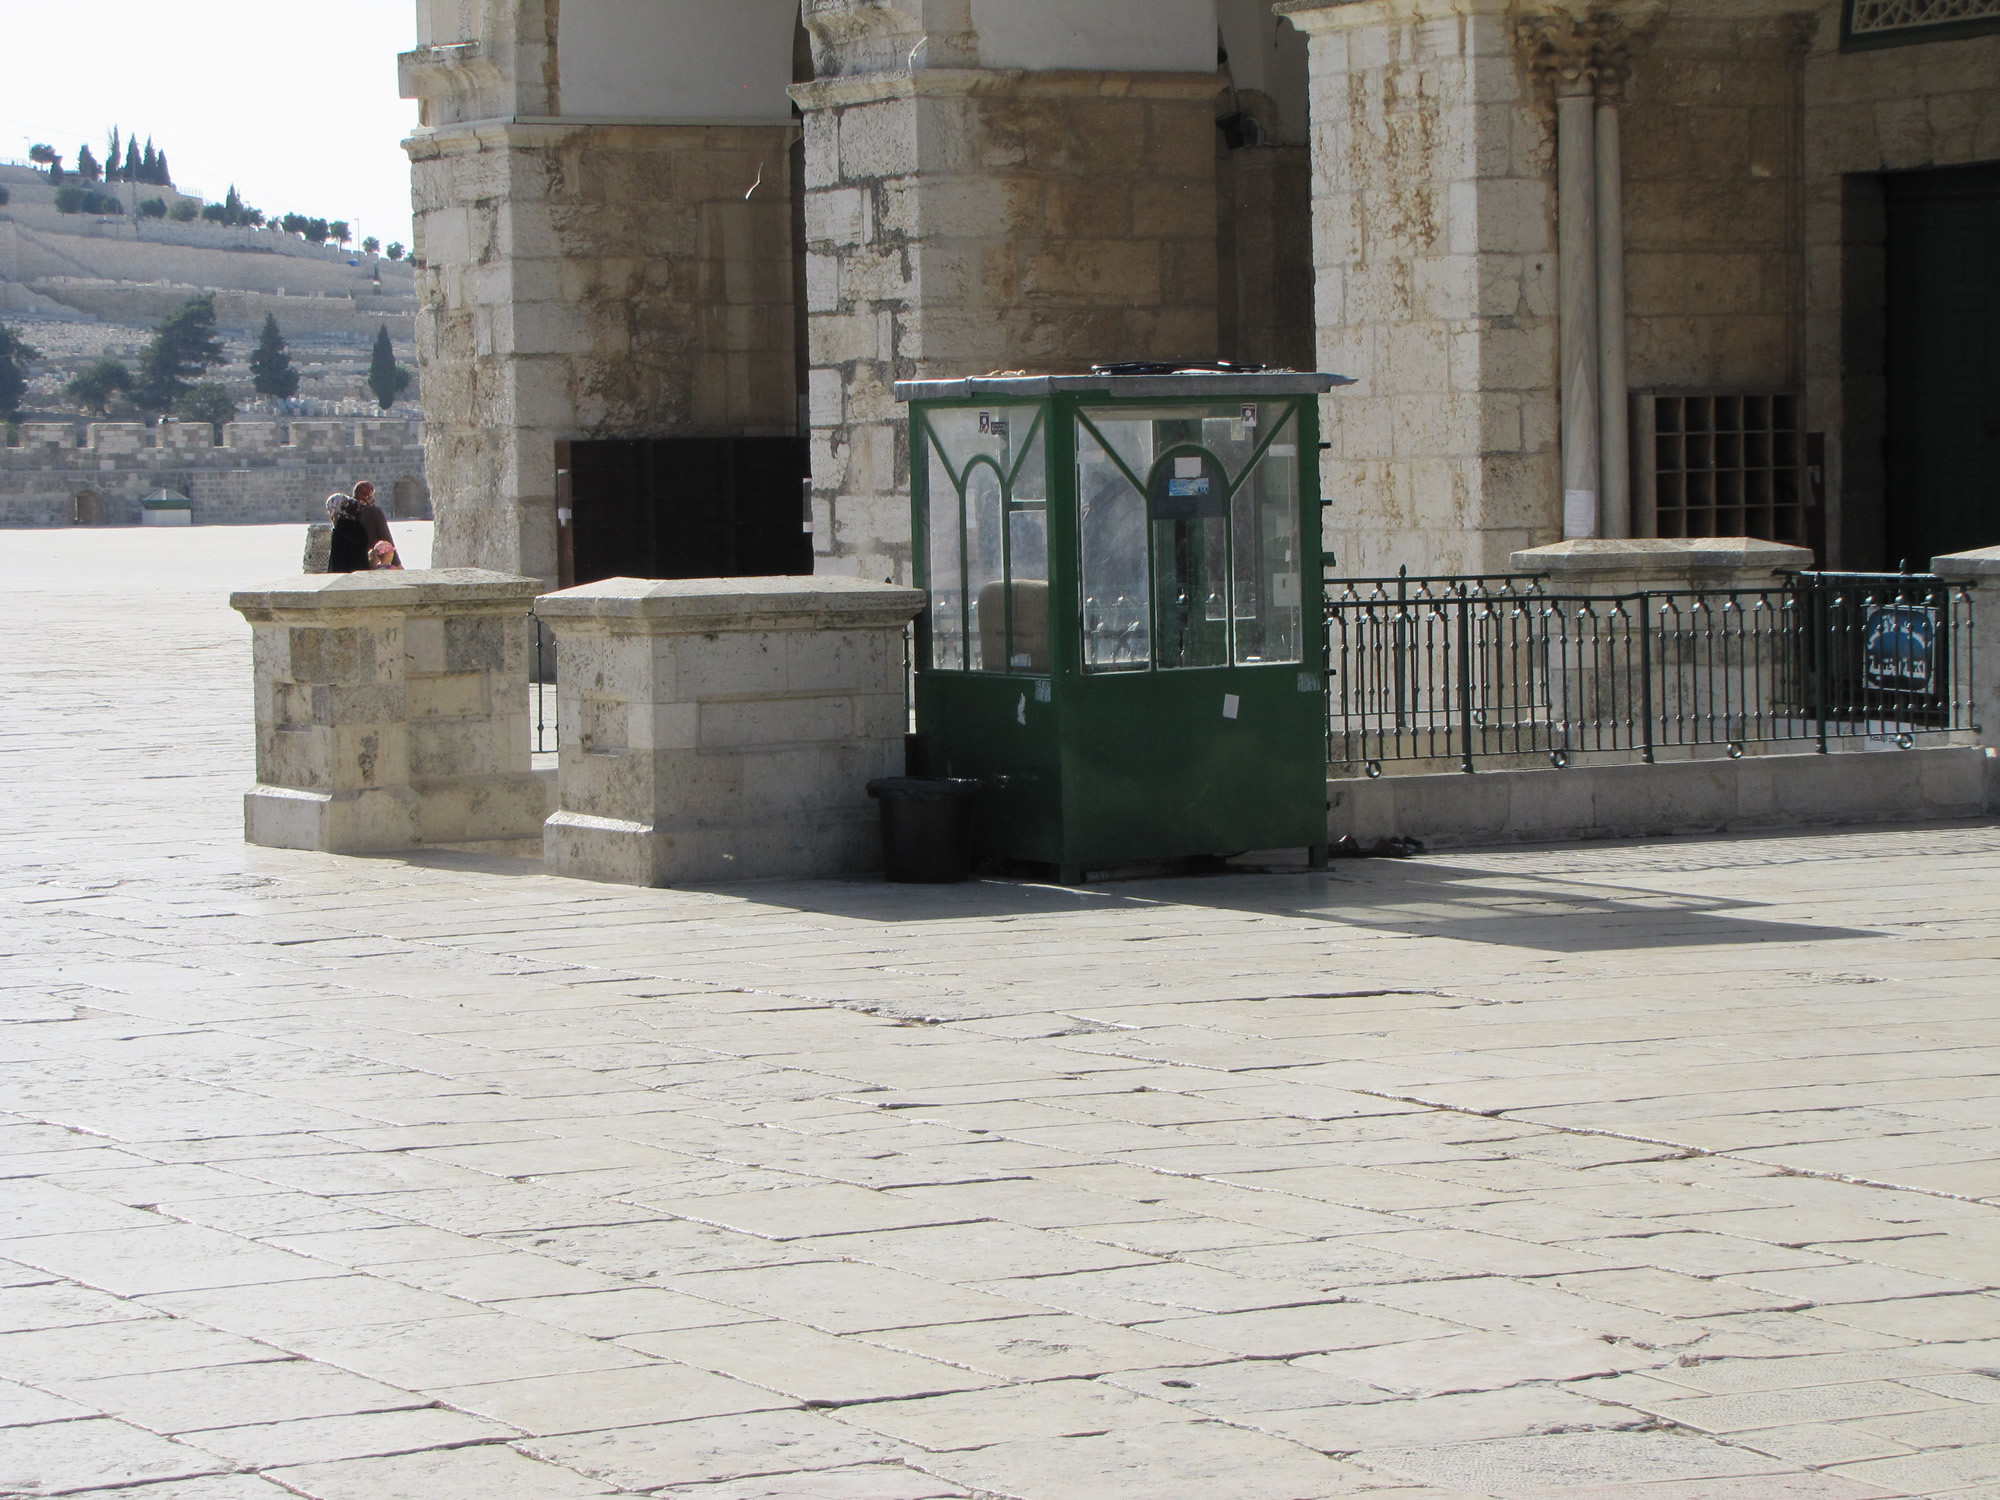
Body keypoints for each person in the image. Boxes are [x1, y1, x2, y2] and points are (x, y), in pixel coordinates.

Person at [325, 493, 370, 573]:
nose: (329, 512)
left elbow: (337, 560)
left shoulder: (340, 527)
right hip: (361, 574)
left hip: (345, 577)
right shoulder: (357, 525)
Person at [352, 480, 395, 557]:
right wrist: (396, 563)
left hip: (355, 560)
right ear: (369, 495)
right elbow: (386, 538)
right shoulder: (374, 512)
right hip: (373, 559)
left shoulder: (350, 512)